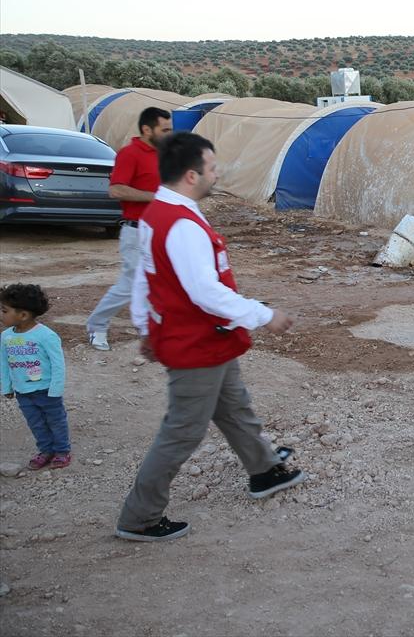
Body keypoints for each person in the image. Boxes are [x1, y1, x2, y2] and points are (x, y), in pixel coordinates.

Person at [117, 133, 304, 542]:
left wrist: (146, 326)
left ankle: (265, 469)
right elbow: (204, 291)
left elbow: (145, 280)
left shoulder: (158, 213)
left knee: (234, 406)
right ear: (190, 174)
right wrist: (263, 314)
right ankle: (140, 516)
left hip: (206, 340)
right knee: (182, 430)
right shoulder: (181, 224)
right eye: (212, 167)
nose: (217, 173)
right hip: (196, 343)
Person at [86, 107, 173, 351]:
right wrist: (154, 197)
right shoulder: (130, 154)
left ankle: (149, 329)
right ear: (147, 130)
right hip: (136, 231)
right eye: (164, 130)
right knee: (132, 283)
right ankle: (97, 324)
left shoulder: (165, 155)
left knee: (158, 282)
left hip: (161, 232)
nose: (169, 134)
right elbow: (116, 190)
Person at [1, 284, 70, 470]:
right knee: (36, 423)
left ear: (23, 314)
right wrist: (6, 387)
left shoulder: (46, 336)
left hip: (46, 391)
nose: (2, 314)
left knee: (56, 421)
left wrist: (55, 389)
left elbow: (58, 364)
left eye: (4, 310)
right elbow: (4, 364)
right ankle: (46, 451)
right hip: (23, 392)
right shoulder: (5, 337)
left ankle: (62, 451)